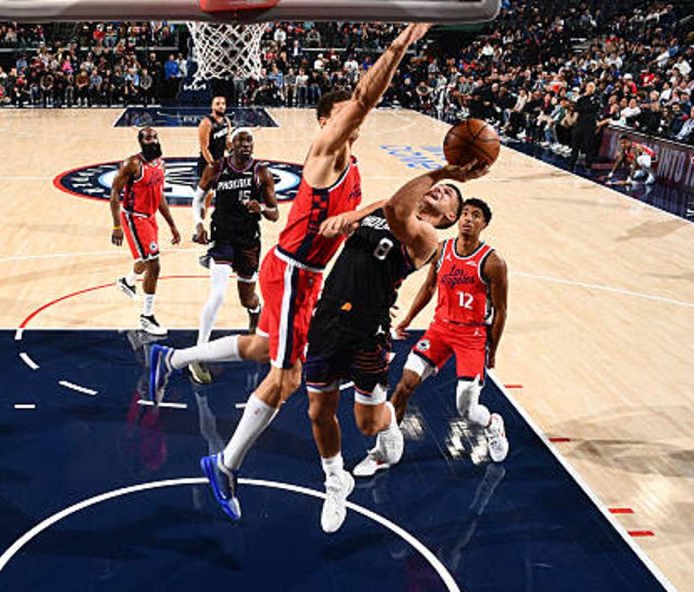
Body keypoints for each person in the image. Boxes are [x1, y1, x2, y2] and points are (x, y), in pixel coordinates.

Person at [149, 23, 433, 521]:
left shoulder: (352, 162)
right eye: (342, 113)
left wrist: (362, 211)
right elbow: (364, 98)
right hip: (294, 272)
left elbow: (377, 207)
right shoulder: (326, 153)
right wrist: (400, 43)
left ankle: (170, 359)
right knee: (286, 379)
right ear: (325, 120)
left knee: (263, 347)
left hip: (302, 274)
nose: (354, 117)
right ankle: (224, 464)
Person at [304, 166, 484, 533]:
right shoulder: (386, 206)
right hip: (327, 316)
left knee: (366, 424)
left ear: (449, 217)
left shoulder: (426, 238)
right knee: (318, 411)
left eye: (448, 194)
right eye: (439, 187)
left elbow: (396, 210)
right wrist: (345, 220)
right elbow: (370, 211)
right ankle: (336, 481)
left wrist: (445, 171)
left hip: (368, 329)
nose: (439, 190)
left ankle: (388, 426)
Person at [357, 198, 509, 478]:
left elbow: (501, 310)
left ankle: (492, 424)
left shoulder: (492, 262)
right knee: (404, 385)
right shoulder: (442, 249)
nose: (468, 219)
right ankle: (383, 452)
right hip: (439, 330)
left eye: (475, 216)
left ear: (484, 224)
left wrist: (493, 350)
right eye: (465, 213)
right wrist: (408, 319)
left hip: (472, 335)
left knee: (466, 408)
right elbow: (428, 288)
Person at [188, 129, 280, 384]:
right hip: (223, 239)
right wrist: (199, 225)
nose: (246, 145)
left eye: (249, 141)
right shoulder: (216, 169)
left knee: (247, 298)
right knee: (217, 294)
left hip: (248, 241)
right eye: (241, 141)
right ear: (231, 144)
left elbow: (275, 214)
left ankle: (255, 311)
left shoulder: (261, 173)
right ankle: (198, 354)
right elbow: (197, 200)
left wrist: (260, 208)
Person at [111, 127, 181, 336]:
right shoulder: (132, 164)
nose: (153, 141)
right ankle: (146, 317)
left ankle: (128, 281)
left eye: (155, 137)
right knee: (154, 264)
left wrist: (172, 224)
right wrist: (116, 226)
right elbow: (115, 193)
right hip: (135, 217)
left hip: (150, 217)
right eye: (148, 138)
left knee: (146, 258)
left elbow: (159, 196)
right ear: (141, 142)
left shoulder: (160, 164)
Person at [197, 95, 232, 181]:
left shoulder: (226, 121)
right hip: (207, 163)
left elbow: (227, 143)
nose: (221, 106)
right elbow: (204, 148)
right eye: (218, 104)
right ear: (212, 106)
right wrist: (213, 165)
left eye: (223, 104)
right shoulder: (206, 123)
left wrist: (235, 151)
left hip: (220, 161)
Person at [568, 82, 601, 171]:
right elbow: (577, 111)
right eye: (589, 86)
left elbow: (594, 109)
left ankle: (588, 164)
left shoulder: (596, 98)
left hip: (590, 125)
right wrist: (573, 120)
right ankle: (571, 163)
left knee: (589, 146)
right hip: (580, 124)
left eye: (592, 87)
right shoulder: (581, 99)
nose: (590, 88)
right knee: (575, 145)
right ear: (586, 87)